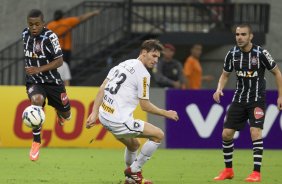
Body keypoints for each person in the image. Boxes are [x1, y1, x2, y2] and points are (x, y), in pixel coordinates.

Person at [86, 39, 179, 184]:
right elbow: (145, 106)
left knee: (133, 145)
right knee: (158, 135)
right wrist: (166, 113)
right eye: (154, 56)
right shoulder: (143, 74)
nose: (156, 60)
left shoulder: (124, 63)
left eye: (158, 58)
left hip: (105, 116)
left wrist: (94, 112)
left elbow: (103, 87)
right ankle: (134, 171)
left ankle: (130, 180)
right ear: (143, 53)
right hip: (118, 121)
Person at [213, 24, 282, 182]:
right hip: (239, 99)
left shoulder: (261, 53)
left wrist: (280, 96)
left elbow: (277, 73)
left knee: (255, 132)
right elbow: (225, 75)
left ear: (251, 36)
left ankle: (256, 173)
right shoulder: (232, 54)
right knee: (226, 133)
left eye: (243, 34)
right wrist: (218, 89)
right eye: (237, 34)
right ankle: (228, 170)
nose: (239, 37)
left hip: (257, 99)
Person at [23, 9, 71, 161]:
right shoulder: (24, 34)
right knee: (36, 101)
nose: (34, 27)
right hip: (34, 81)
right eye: (31, 24)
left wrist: (38, 68)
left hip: (53, 82)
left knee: (67, 115)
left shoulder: (50, 37)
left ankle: (59, 111)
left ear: (43, 24)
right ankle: (36, 142)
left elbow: (59, 61)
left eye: (37, 24)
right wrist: (34, 71)